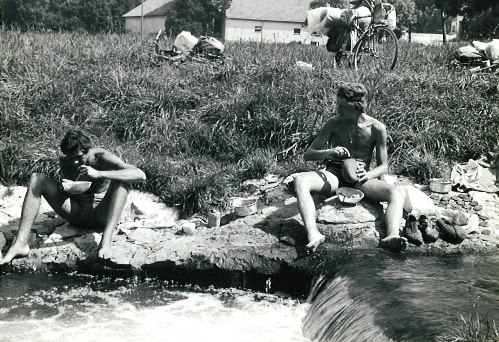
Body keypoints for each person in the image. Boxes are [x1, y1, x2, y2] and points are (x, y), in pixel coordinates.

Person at [292, 82, 408, 253]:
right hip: (334, 176)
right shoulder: (334, 123)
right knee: (300, 180)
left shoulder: (377, 128)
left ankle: (391, 236)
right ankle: (313, 234)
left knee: (397, 192)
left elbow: (384, 166)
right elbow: (308, 154)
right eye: (338, 105)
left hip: (361, 180)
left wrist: (368, 174)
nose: (339, 110)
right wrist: (329, 152)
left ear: (358, 106)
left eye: (343, 107)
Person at [0, 130, 146, 264]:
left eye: (78, 157)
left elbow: (140, 174)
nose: (74, 162)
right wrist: (68, 189)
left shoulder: (101, 156)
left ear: (88, 151)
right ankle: (20, 243)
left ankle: (106, 240)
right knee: (37, 178)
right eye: (70, 157)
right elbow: (70, 190)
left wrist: (100, 174)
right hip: (77, 214)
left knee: (122, 182)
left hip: (103, 214)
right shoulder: (66, 161)